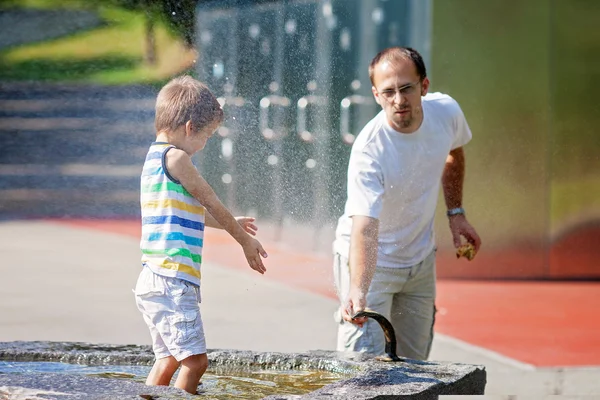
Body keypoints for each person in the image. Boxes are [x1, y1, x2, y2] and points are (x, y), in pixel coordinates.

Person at [332, 47, 481, 360]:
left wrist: (456, 214)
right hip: (372, 265)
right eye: (388, 92)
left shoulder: (446, 112)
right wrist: (358, 291)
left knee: (415, 369)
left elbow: (454, 153)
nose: (398, 100)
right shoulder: (369, 150)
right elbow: (365, 228)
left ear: (423, 86)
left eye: (406, 88)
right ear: (376, 94)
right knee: (362, 369)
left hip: (420, 260)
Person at [134, 75, 268, 394]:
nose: (204, 143)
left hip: (153, 278)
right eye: (207, 135)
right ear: (191, 127)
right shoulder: (177, 158)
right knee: (195, 362)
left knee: (167, 360)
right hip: (173, 279)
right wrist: (244, 240)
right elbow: (210, 199)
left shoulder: (153, 159)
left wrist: (228, 223)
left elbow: (189, 210)